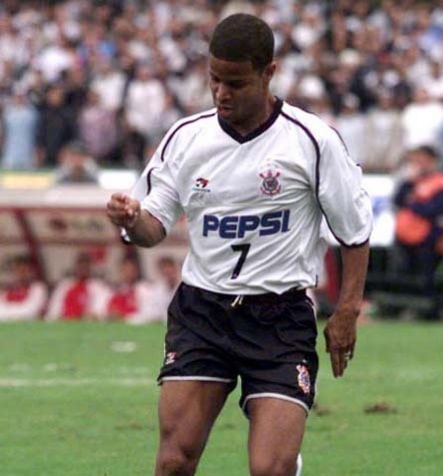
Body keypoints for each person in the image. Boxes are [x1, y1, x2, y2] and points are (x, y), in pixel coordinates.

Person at [105, 13, 372, 476]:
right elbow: (153, 228)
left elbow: (355, 232)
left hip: (280, 316)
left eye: (235, 82)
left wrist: (346, 311)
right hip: (202, 312)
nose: (221, 93)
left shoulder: (312, 141)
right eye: (213, 80)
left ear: (268, 73)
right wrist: (130, 222)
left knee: (271, 469)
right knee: (173, 462)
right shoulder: (187, 138)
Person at [391, 145, 443, 321]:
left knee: (426, 276)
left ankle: (429, 311)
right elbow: (398, 200)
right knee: (403, 274)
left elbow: (434, 209)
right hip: (404, 235)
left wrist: (414, 203)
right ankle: (402, 308)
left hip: (426, 237)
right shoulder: (410, 183)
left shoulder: (438, 183)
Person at [45, 251, 111, 321]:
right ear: (75, 266)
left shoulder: (99, 287)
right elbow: (54, 311)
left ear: (90, 267)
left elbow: (99, 312)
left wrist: (85, 318)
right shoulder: (64, 286)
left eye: (86, 264)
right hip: (64, 324)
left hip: (88, 325)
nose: (83, 267)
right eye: (80, 264)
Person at [0, 255, 48, 322]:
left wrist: (8, 311)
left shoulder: (38, 288)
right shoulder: (8, 291)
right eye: (17, 270)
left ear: (31, 271)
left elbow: (30, 312)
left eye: (24, 270)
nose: (21, 274)